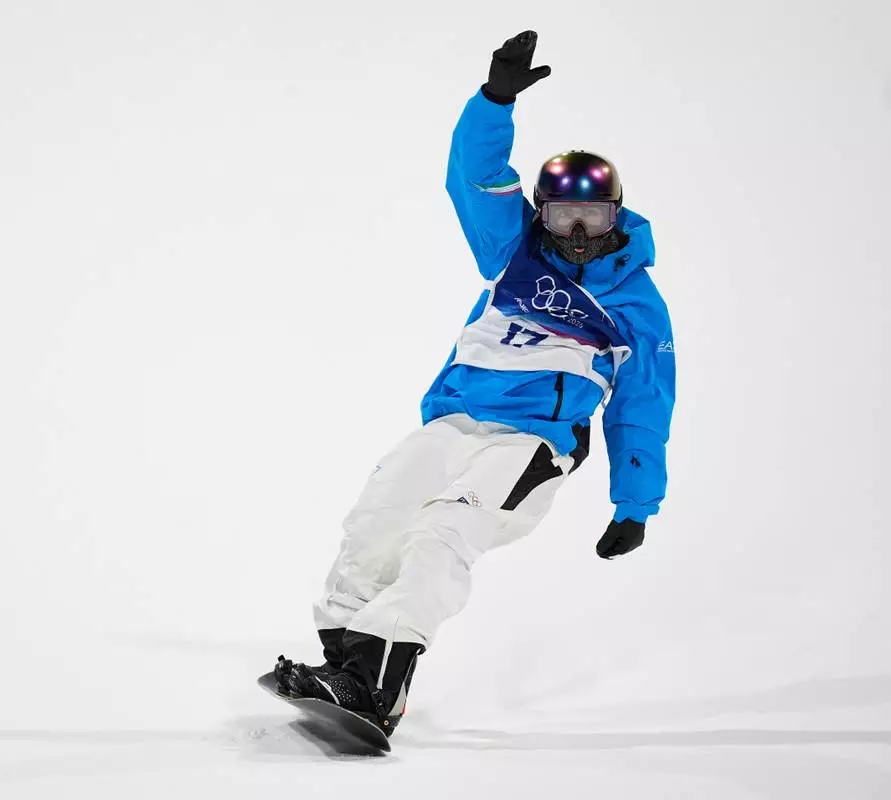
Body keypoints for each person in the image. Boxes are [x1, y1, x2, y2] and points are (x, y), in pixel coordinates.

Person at [272, 30, 676, 737]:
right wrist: (495, 101)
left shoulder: (637, 304)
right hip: (454, 420)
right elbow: (475, 178)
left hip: (531, 442)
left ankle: (376, 685)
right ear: (542, 216)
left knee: (442, 533)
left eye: (593, 218)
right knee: (378, 519)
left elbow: (643, 404)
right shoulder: (513, 248)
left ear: (617, 217)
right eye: (562, 216)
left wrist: (635, 503)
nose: (577, 234)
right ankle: (342, 660)